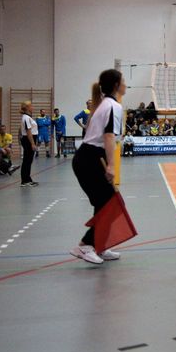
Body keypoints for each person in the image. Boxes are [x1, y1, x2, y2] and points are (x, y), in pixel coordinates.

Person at [70, 69, 126, 264]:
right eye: (123, 81)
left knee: (105, 204)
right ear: (116, 85)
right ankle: (85, 245)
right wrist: (111, 166)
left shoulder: (105, 104)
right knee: (111, 204)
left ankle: (99, 245)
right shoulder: (112, 106)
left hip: (89, 158)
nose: (125, 85)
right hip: (90, 159)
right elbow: (108, 136)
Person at [19, 101, 38, 187]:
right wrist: (32, 144)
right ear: (27, 108)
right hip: (28, 140)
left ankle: (28, 179)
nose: (32, 107)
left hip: (29, 139)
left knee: (29, 160)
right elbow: (28, 131)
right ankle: (24, 180)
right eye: (31, 106)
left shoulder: (27, 117)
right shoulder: (26, 118)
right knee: (27, 160)